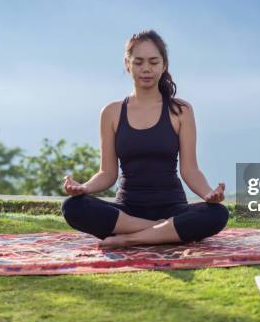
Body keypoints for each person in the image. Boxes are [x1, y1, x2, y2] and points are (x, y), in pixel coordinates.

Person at [60, 29, 229, 249]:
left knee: (217, 214)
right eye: (138, 62)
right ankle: (162, 230)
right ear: (127, 64)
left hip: (172, 207)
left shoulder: (181, 110)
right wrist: (84, 188)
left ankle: (131, 238)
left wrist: (208, 194)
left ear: (164, 65)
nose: (146, 69)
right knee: (73, 207)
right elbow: (107, 173)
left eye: (153, 62)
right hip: (127, 211)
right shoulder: (111, 113)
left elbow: (190, 170)